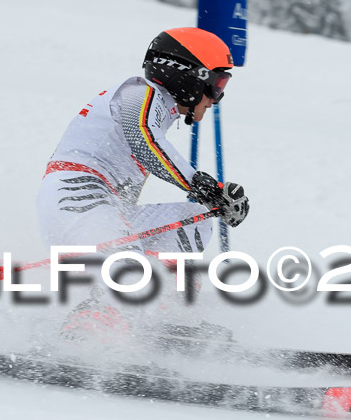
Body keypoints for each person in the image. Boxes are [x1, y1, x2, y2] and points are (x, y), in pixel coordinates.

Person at [36, 27, 250, 341]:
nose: (215, 98)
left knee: (191, 223)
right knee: (130, 271)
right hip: (74, 198)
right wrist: (200, 185)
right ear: (188, 76)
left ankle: (166, 319)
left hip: (101, 206)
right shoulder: (138, 93)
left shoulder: (158, 106)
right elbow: (143, 139)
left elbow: (134, 175)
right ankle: (82, 337)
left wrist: (214, 201)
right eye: (216, 85)